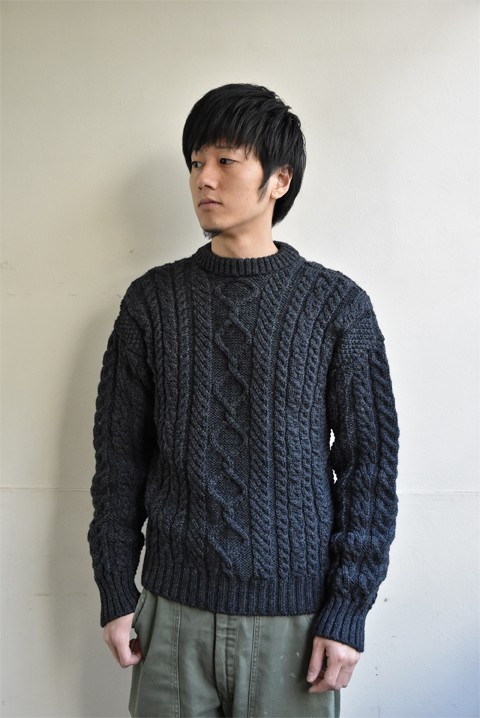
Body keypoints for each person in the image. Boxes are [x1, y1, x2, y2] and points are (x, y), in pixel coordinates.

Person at [88, 83, 399, 718]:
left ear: (280, 179)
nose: (204, 178)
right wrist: (116, 589)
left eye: (226, 160)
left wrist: (348, 610)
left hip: (296, 626)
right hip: (170, 618)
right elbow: (118, 460)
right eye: (195, 162)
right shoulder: (152, 303)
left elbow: (369, 470)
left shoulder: (337, 307)